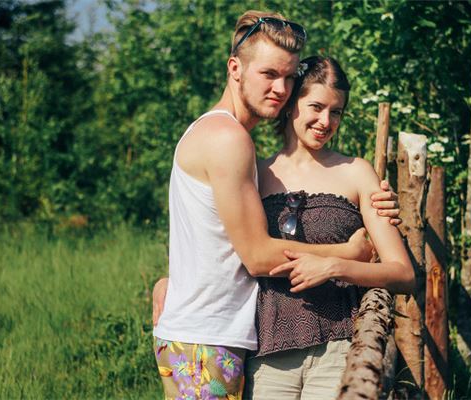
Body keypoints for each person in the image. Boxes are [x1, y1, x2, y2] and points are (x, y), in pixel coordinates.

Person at [151, 11, 402, 399]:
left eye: (288, 77)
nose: (280, 88)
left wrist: (170, 281)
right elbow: (257, 257)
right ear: (235, 68)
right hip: (207, 335)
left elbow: (205, 233)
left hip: (213, 333)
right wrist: (348, 253)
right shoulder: (228, 138)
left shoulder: (219, 134)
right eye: (269, 74)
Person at [243, 56, 415, 399]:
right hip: (267, 354)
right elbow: (233, 250)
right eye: (317, 107)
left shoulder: (357, 172)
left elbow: (404, 273)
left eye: (336, 112)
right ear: (291, 105)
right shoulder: (256, 174)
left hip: (338, 349)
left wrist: (336, 267)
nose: (326, 121)